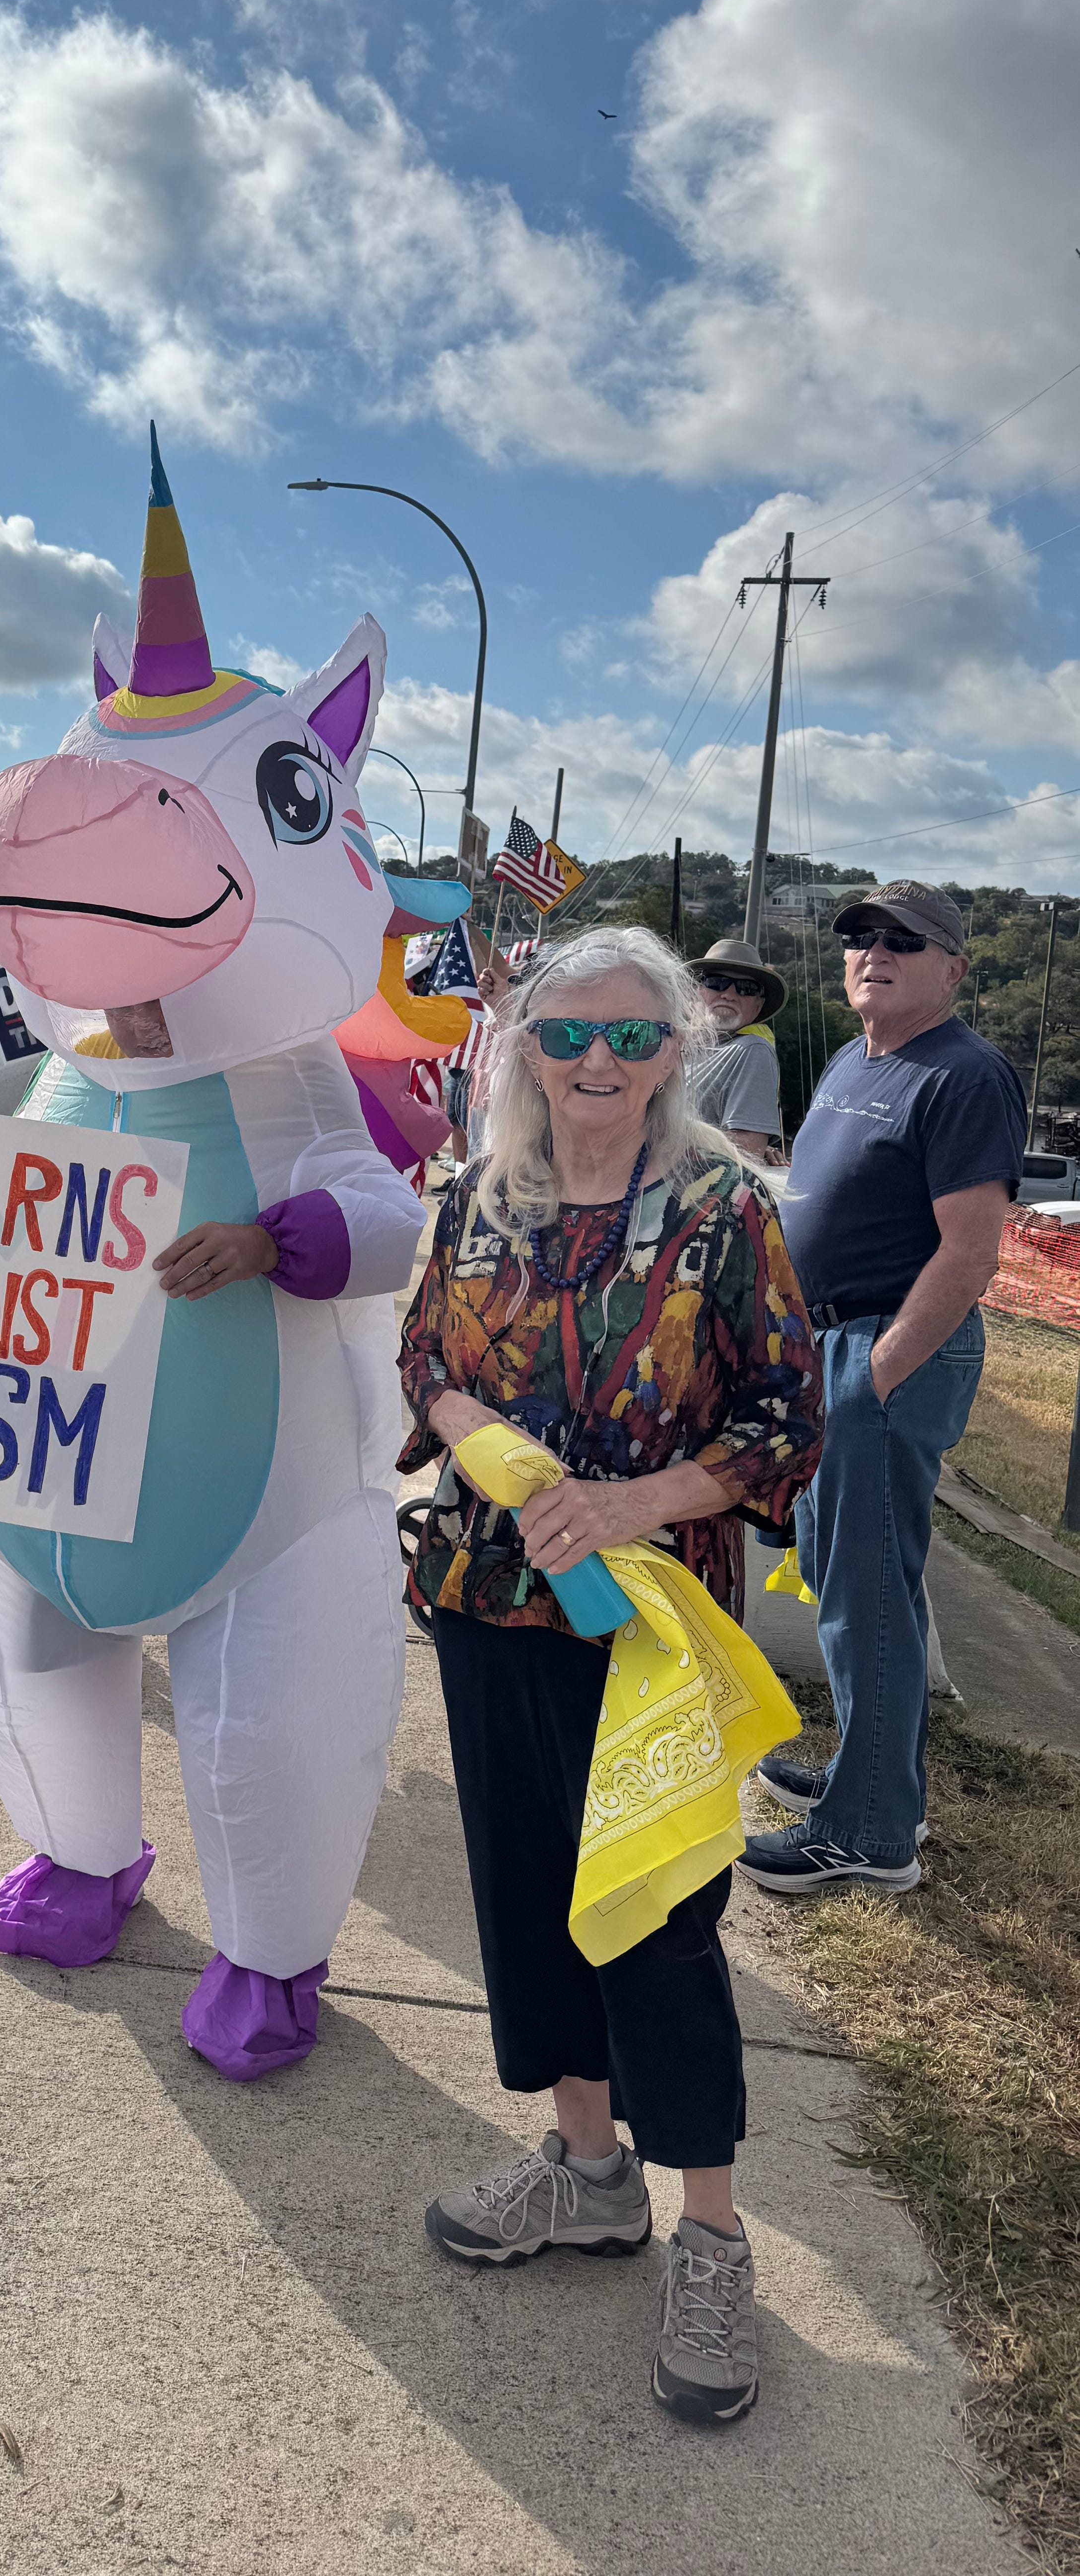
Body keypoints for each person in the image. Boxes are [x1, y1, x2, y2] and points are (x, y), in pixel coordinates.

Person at [399, 924, 822, 2426]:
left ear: (676, 1052)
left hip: (649, 1635)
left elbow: (785, 1420)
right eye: (567, 1033)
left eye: (633, 1037)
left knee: (658, 1916)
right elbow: (424, 1361)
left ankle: (710, 2234)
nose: (598, 1061)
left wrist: (629, 1502)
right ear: (523, 1047)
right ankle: (588, 2170)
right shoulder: (481, 1196)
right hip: (485, 1602)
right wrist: (482, 1440)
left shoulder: (724, 1210)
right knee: (527, 1899)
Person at [740, 880, 1023, 1896]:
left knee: (867, 1596)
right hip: (827, 1345)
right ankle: (872, 1782)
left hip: (886, 1351)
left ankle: (868, 1832)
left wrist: (873, 1377)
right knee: (839, 1579)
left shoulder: (964, 1074)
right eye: (860, 934)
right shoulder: (857, 1059)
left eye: (904, 939)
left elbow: (969, 1252)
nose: (875, 950)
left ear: (953, 968)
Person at [689, 937, 785, 1162]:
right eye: (716, 983)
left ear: (758, 1006)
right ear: (694, 992)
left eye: (746, 989)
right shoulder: (667, 1045)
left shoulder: (752, 1050)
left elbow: (746, 1149)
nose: (729, 995)